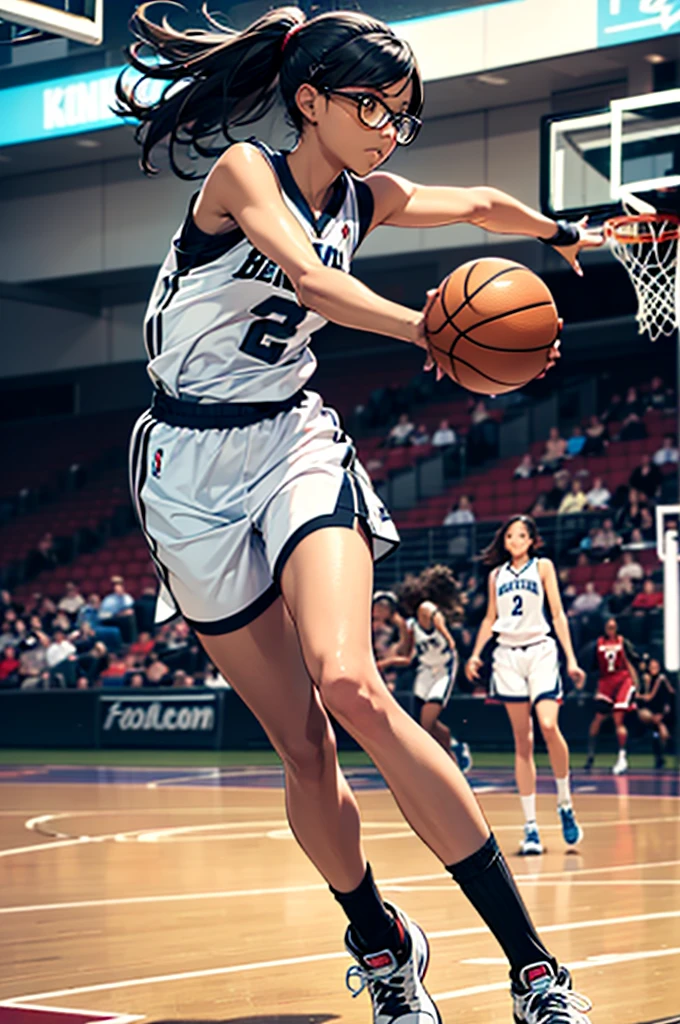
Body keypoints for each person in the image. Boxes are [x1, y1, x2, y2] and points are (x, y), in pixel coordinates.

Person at [117, 6, 601, 1021]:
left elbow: (468, 198)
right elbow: (310, 281)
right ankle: (382, 942)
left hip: (289, 440)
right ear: (309, 101)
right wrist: (434, 331)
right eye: (370, 106)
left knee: (350, 682)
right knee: (300, 746)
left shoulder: (366, 198)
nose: (387, 128)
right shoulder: (246, 174)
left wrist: (558, 231)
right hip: (183, 468)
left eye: (402, 115)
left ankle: (532, 968)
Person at [465, 515, 586, 856]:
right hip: (507, 656)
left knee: (548, 725)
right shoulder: (496, 576)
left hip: (540, 651)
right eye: (510, 535)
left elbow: (558, 613)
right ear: (504, 542)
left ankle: (564, 802)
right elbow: (490, 618)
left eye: (521, 535)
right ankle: (530, 827)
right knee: (523, 740)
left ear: (532, 540)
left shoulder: (542, 567)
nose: (515, 540)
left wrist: (572, 659)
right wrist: (476, 654)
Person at [380, 566, 471, 772]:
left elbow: (436, 616)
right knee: (428, 725)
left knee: (427, 723)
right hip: (425, 671)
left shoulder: (427, 608)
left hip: (443, 668)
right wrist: (387, 662)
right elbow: (409, 658)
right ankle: (455, 749)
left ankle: (444, 764)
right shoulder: (412, 624)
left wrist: (446, 635)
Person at [585, 617, 638, 775]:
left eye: (613, 627)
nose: (611, 630)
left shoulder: (623, 642)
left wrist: (636, 684)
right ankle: (590, 756)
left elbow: (631, 661)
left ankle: (622, 757)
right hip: (606, 682)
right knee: (598, 718)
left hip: (622, 679)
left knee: (618, 718)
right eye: (608, 627)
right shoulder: (598, 644)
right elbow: (593, 666)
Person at [636, 658, 675, 769]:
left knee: (662, 734)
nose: (654, 669)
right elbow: (644, 697)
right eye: (651, 667)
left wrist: (662, 714)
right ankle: (659, 757)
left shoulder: (663, 679)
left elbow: (670, 694)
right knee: (656, 731)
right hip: (650, 713)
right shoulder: (645, 679)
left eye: (656, 667)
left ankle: (661, 756)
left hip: (662, 714)